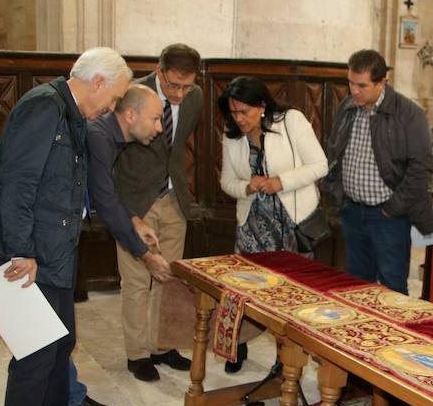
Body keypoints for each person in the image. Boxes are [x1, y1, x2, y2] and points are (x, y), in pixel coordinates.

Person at [0, 47, 132, 406]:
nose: (113, 108)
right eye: (114, 98)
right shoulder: (44, 106)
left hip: (55, 252)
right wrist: (21, 251)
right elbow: (17, 184)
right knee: (34, 356)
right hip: (31, 255)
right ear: (97, 83)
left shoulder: (69, 111)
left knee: (60, 345)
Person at [218, 76, 328, 372]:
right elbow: (226, 181)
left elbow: (320, 165)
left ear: (262, 106)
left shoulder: (291, 121)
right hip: (252, 226)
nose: (239, 118)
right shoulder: (231, 136)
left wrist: (282, 182)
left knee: (290, 297)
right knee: (242, 291)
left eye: (245, 111)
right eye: (234, 112)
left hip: (293, 224)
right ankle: (235, 347)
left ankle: (286, 358)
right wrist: (246, 187)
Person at [112, 44, 203, 382]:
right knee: (136, 281)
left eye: (187, 86)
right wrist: (123, 208)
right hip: (136, 200)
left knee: (169, 277)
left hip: (174, 198)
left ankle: (162, 345)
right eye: (173, 85)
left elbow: (176, 149)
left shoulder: (195, 98)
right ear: (159, 71)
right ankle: (137, 354)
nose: (179, 95)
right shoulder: (130, 95)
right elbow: (113, 153)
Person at [322, 49, 433, 294]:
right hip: (352, 210)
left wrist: (392, 208)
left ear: (382, 82)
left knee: (392, 286)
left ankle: (394, 333)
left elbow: (421, 168)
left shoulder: (407, 113)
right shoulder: (347, 107)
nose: (354, 91)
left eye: (362, 85)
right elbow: (335, 150)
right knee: (356, 285)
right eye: (351, 83)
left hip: (388, 216)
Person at [87, 85, 172, 286]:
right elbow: (105, 202)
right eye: (155, 119)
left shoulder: (108, 137)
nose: (159, 128)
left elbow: (109, 191)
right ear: (131, 115)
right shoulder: (99, 138)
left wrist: (135, 221)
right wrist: (146, 256)